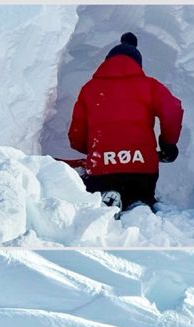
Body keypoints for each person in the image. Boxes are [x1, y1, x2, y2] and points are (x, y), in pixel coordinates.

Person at [67, 32, 183, 211]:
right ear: (137, 64)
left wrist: (92, 149)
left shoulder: (89, 89)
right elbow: (173, 110)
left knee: (98, 185)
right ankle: (139, 202)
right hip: (142, 168)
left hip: (101, 169)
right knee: (141, 193)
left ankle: (108, 197)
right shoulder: (150, 86)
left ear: (106, 62)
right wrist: (168, 144)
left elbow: (76, 134)